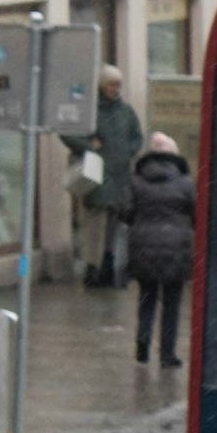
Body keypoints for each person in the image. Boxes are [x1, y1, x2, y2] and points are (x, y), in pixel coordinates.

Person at [60, 66, 146, 289]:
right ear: (101, 86)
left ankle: (109, 266)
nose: (115, 90)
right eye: (111, 84)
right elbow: (67, 131)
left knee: (114, 225)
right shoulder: (89, 110)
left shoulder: (126, 112)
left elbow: (137, 137)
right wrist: (89, 146)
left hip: (119, 177)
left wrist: (128, 151)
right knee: (94, 224)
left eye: (118, 85)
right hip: (96, 176)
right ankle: (92, 268)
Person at [122, 133, 196, 367]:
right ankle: (167, 353)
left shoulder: (136, 181)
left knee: (147, 298)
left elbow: (125, 212)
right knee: (172, 304)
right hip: (176, 247)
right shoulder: (185, 183)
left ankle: (142, 345)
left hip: (143, 246)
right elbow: (197, 214)